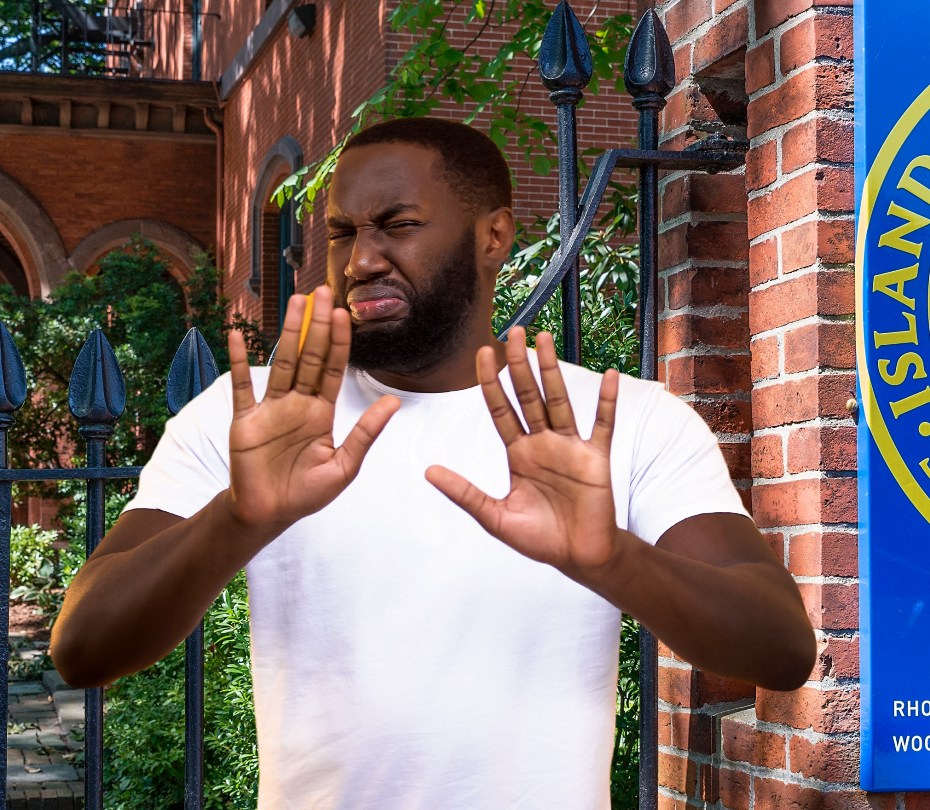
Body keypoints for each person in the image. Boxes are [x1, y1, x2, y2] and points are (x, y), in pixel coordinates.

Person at [49, 117, 817, 807]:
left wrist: (612, 558)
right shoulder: (254, 421)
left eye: (399, 225)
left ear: (493, 237)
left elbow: (781, 650)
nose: (360, 260)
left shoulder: (624, 423)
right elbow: (82, 648)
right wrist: (238, 518)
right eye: (342, 232)